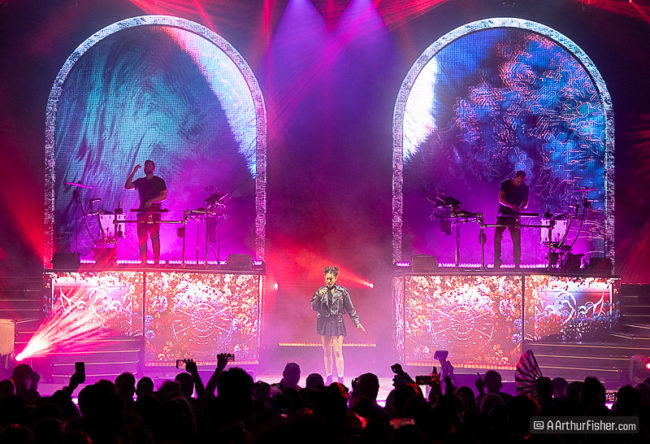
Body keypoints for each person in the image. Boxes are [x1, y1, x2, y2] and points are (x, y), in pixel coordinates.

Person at [310, 266, 365, 385]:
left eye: (331, 279)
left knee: (338, 351)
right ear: (324, 278)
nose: (329, 281)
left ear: (335, 278)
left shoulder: (342, 292)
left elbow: (350, 307)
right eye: (327, 278)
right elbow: (313, 307)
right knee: (327, 351)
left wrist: (356, 321)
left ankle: (340, 378)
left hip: (337, 322)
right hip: (324, 322)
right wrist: (318, 297)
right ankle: (329, 377)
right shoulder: (320, 291)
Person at [125, 160, 167, 264]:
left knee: (154, 236)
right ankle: (144, 262)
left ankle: (156, 261)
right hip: (142, 212)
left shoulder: (159, 181)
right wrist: (134, 171)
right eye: (146, 165)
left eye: (149, 165)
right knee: (142, 237)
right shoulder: (141, 181)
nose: (147, 167)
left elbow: (164, 196)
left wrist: (150, 201)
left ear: (153, 168)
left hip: (154, 212)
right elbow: (127, 186)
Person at [494, 170, 529, 269]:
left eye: (522, 181)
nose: (520, 183)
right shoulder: (505, 184)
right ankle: (497, 261)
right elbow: (501, 199)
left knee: (516, 240)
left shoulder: (525, 188)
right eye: (519, 181)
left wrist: (522, 207)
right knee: (497, 238)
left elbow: (526, 202)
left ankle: (517, 263)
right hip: (503, 215)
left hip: (515, 216)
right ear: (516, 177)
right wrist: (511, 206)